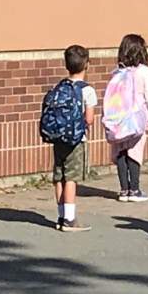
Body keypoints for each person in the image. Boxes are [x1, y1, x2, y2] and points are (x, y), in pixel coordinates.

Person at [47, 44, 95, 232]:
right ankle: (70, 219)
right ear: (87, 65)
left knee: (59, 177)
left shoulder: (59, 87)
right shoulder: (87, 90)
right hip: (76, 139)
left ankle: (60, 216)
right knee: (72, 178)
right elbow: (89, 119)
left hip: (58, 138)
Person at [106, 34, 148, 204]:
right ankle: (134, 189)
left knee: (120, 151)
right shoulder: (144, 71)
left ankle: (123, 190)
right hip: (137, 119)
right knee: (134, 152)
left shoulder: (117, 72)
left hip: (119, 120)